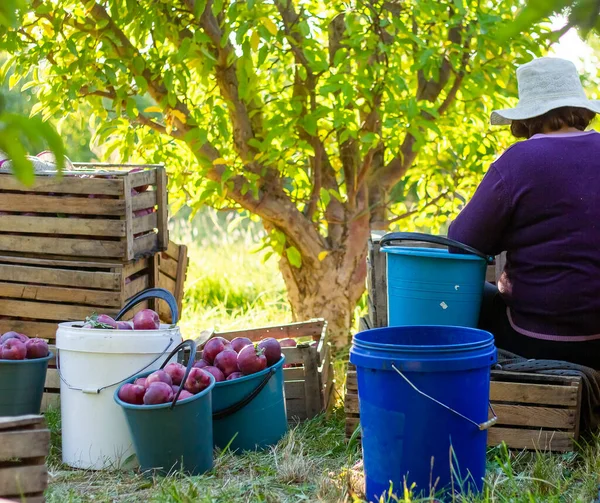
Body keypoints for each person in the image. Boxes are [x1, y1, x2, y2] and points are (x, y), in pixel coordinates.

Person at [448, 57, 600, 369]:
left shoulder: (519, 161)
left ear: (527, 117)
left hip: (535, 339)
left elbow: (460, 243)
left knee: (465, 295)